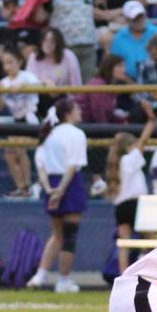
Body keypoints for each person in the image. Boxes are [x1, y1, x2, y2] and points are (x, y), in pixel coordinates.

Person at [32, 98, 89, 293]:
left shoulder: (49, 134)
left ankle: (40, 275)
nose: (80, 111)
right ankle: (63, 280)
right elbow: (73, 165)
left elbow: (40, 164)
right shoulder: (77, 134)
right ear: (68, 113)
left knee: (57, 234)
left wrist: (49, 189)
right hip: (69, 183)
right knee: (69, 235)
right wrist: (61, 190)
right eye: (76, 108)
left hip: (53, 182)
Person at [108, 113, 157, 269]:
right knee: (152, 241)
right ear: (129, 146)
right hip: (136, 204)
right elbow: (143, 141)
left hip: (121, 207)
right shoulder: (130, 160)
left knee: (125, 244)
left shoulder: (115, 164)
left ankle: (123, 275)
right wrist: (151, 122)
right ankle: (153, 269)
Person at [0, 49, 40, 198]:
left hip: (31, 118)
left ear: (19, 62)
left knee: (18, 149)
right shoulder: (4, 82)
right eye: (4, 63)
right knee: (9, 154)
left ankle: (28, 186)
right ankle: (21, 187)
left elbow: (41, 86)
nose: (7, 67)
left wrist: (24, 86)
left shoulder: (28, 76)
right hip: (16, 121)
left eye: (11, 62)